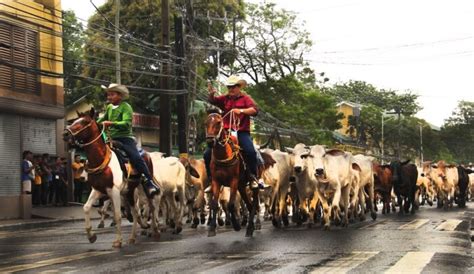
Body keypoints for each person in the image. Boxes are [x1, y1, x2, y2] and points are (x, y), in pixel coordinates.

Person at [97, 83, 160, 197]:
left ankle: (149, 182)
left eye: (111, 95)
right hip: (111, 139)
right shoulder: (109, 108)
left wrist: (111, 123)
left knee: (136, 157)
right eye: (108, 95)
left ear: (119, 96)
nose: (109, 97)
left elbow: (126, 123)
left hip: (125, 139)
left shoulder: (126, 107)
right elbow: (101, 119)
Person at [205, 75, 263, 189]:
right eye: (229, 87)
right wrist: (211, 94)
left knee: (250, 152)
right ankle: (211, 180)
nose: (231, 89)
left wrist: (241, 110)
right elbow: (213, 101)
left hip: (241, 132)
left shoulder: (246, 99)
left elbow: (255, 110)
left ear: (239, 87)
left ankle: (253, 177)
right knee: (207, 154)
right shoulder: (225, 98)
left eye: (233, 87)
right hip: (226, 133)